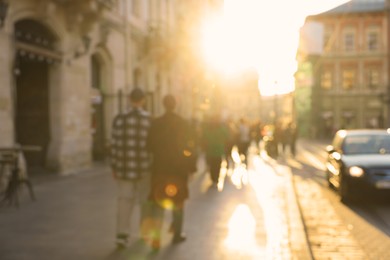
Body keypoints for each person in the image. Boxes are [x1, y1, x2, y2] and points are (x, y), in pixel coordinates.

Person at [146, 94, 196, 248]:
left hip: (160, 168)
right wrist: (191, 167)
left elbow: (148, 146)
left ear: (163, 105)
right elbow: (190, 147)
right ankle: (177, 234)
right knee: (179, 202)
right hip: (178, 169)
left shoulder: (155, 123)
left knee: (158, 202)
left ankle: (156, 239)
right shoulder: (183, 123)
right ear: (175, 105)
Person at [109, 88, 151, 249]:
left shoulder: (119, 119)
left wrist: (114, 166)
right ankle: (144, 232)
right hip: (144, 168)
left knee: (124, 202)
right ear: (143, 100)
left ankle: (122, 235)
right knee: (145, 201)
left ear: (129, 99)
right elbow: (152, 146)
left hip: (124, 168)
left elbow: (114, 145)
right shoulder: (149, 120)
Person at [201, 113, 230, 186]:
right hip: (219, 150)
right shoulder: (222, 128)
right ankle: (215, 179)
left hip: (210, 150)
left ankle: (213, 178)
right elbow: (227, 137)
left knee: (212, 166)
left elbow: (204, 137)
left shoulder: (208, 128)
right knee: (217, 165)